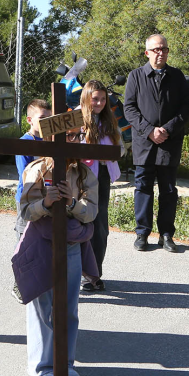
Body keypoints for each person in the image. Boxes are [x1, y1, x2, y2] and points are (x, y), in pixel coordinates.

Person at [16, 140, 98, 376]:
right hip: (41, 243)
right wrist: (45, 203)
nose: (71, 142)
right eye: (67, 136)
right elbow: (25, 211)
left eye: (75, 136)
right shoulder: (36, 169)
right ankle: (41, 364)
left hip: (70, 246)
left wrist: (72, 202)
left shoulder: (84, 173)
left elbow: (92, 211)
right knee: (42, 306)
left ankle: (65, 363)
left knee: (68, 307)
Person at [123, 34, 189, 254]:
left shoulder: (177, 76)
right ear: (147, 53)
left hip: (169, 143)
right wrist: (149, 131)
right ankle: (142, 233)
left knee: (169, 190)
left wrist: (167, 130)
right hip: (144, 143)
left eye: (163, 49)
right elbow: (130, 109)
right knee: (143, 188)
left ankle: (166, 235)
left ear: (167, 51)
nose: (160, 53)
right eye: (155, 49)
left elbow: (185, 109)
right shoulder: (136, 76)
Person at [79, 80, 124, 292]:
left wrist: (109, 154)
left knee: (99, 225)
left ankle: (94, 274)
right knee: (79, 221)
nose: (99, 103)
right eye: (95, 98)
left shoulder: (109, 120)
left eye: (103, 99)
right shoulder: (75, 117)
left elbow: (121, 149)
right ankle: (76, 271)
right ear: (86, 97)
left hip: (102, 176)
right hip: (80, 175)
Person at [10, 99, 51, 301]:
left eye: (50, 118)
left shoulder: (51, 141)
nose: (46, 122)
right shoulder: (24, 142)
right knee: (24, 239)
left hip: (45, 199)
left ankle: (41, 279)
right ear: (29, 120)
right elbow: (25, 173)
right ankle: (20, 283)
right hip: (27, 199)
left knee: (40, 239)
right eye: (42, 118)